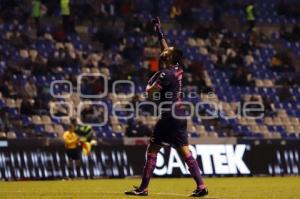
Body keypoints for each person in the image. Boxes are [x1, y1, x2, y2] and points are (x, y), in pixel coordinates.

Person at [125, 17, 208, 197]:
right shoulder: (177, 69)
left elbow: (151, 92)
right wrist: (159, 31)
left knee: (152, 149)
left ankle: (143, 189)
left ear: (169, 58)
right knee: (185, 151)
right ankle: (201, 187)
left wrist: (148, 86)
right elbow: (166, 49)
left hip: (168, 115)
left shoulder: (164, 73)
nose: (165, 50)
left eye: (168, 52)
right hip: (180, 114)